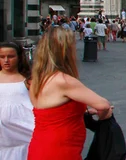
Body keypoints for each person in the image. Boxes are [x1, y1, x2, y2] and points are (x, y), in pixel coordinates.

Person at [28, 29, 112, 160]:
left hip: (40, 145)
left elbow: (52, 112)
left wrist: (82, 113)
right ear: (65, 50)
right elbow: (103, 105)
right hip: (60, 149)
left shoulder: (37, 79)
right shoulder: (63, 80)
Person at [0, 42, 34, 160]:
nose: (6, 60)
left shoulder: (27, 79)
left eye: (11, 56)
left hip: (23, 128)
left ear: (19, 57)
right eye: (2, 57)